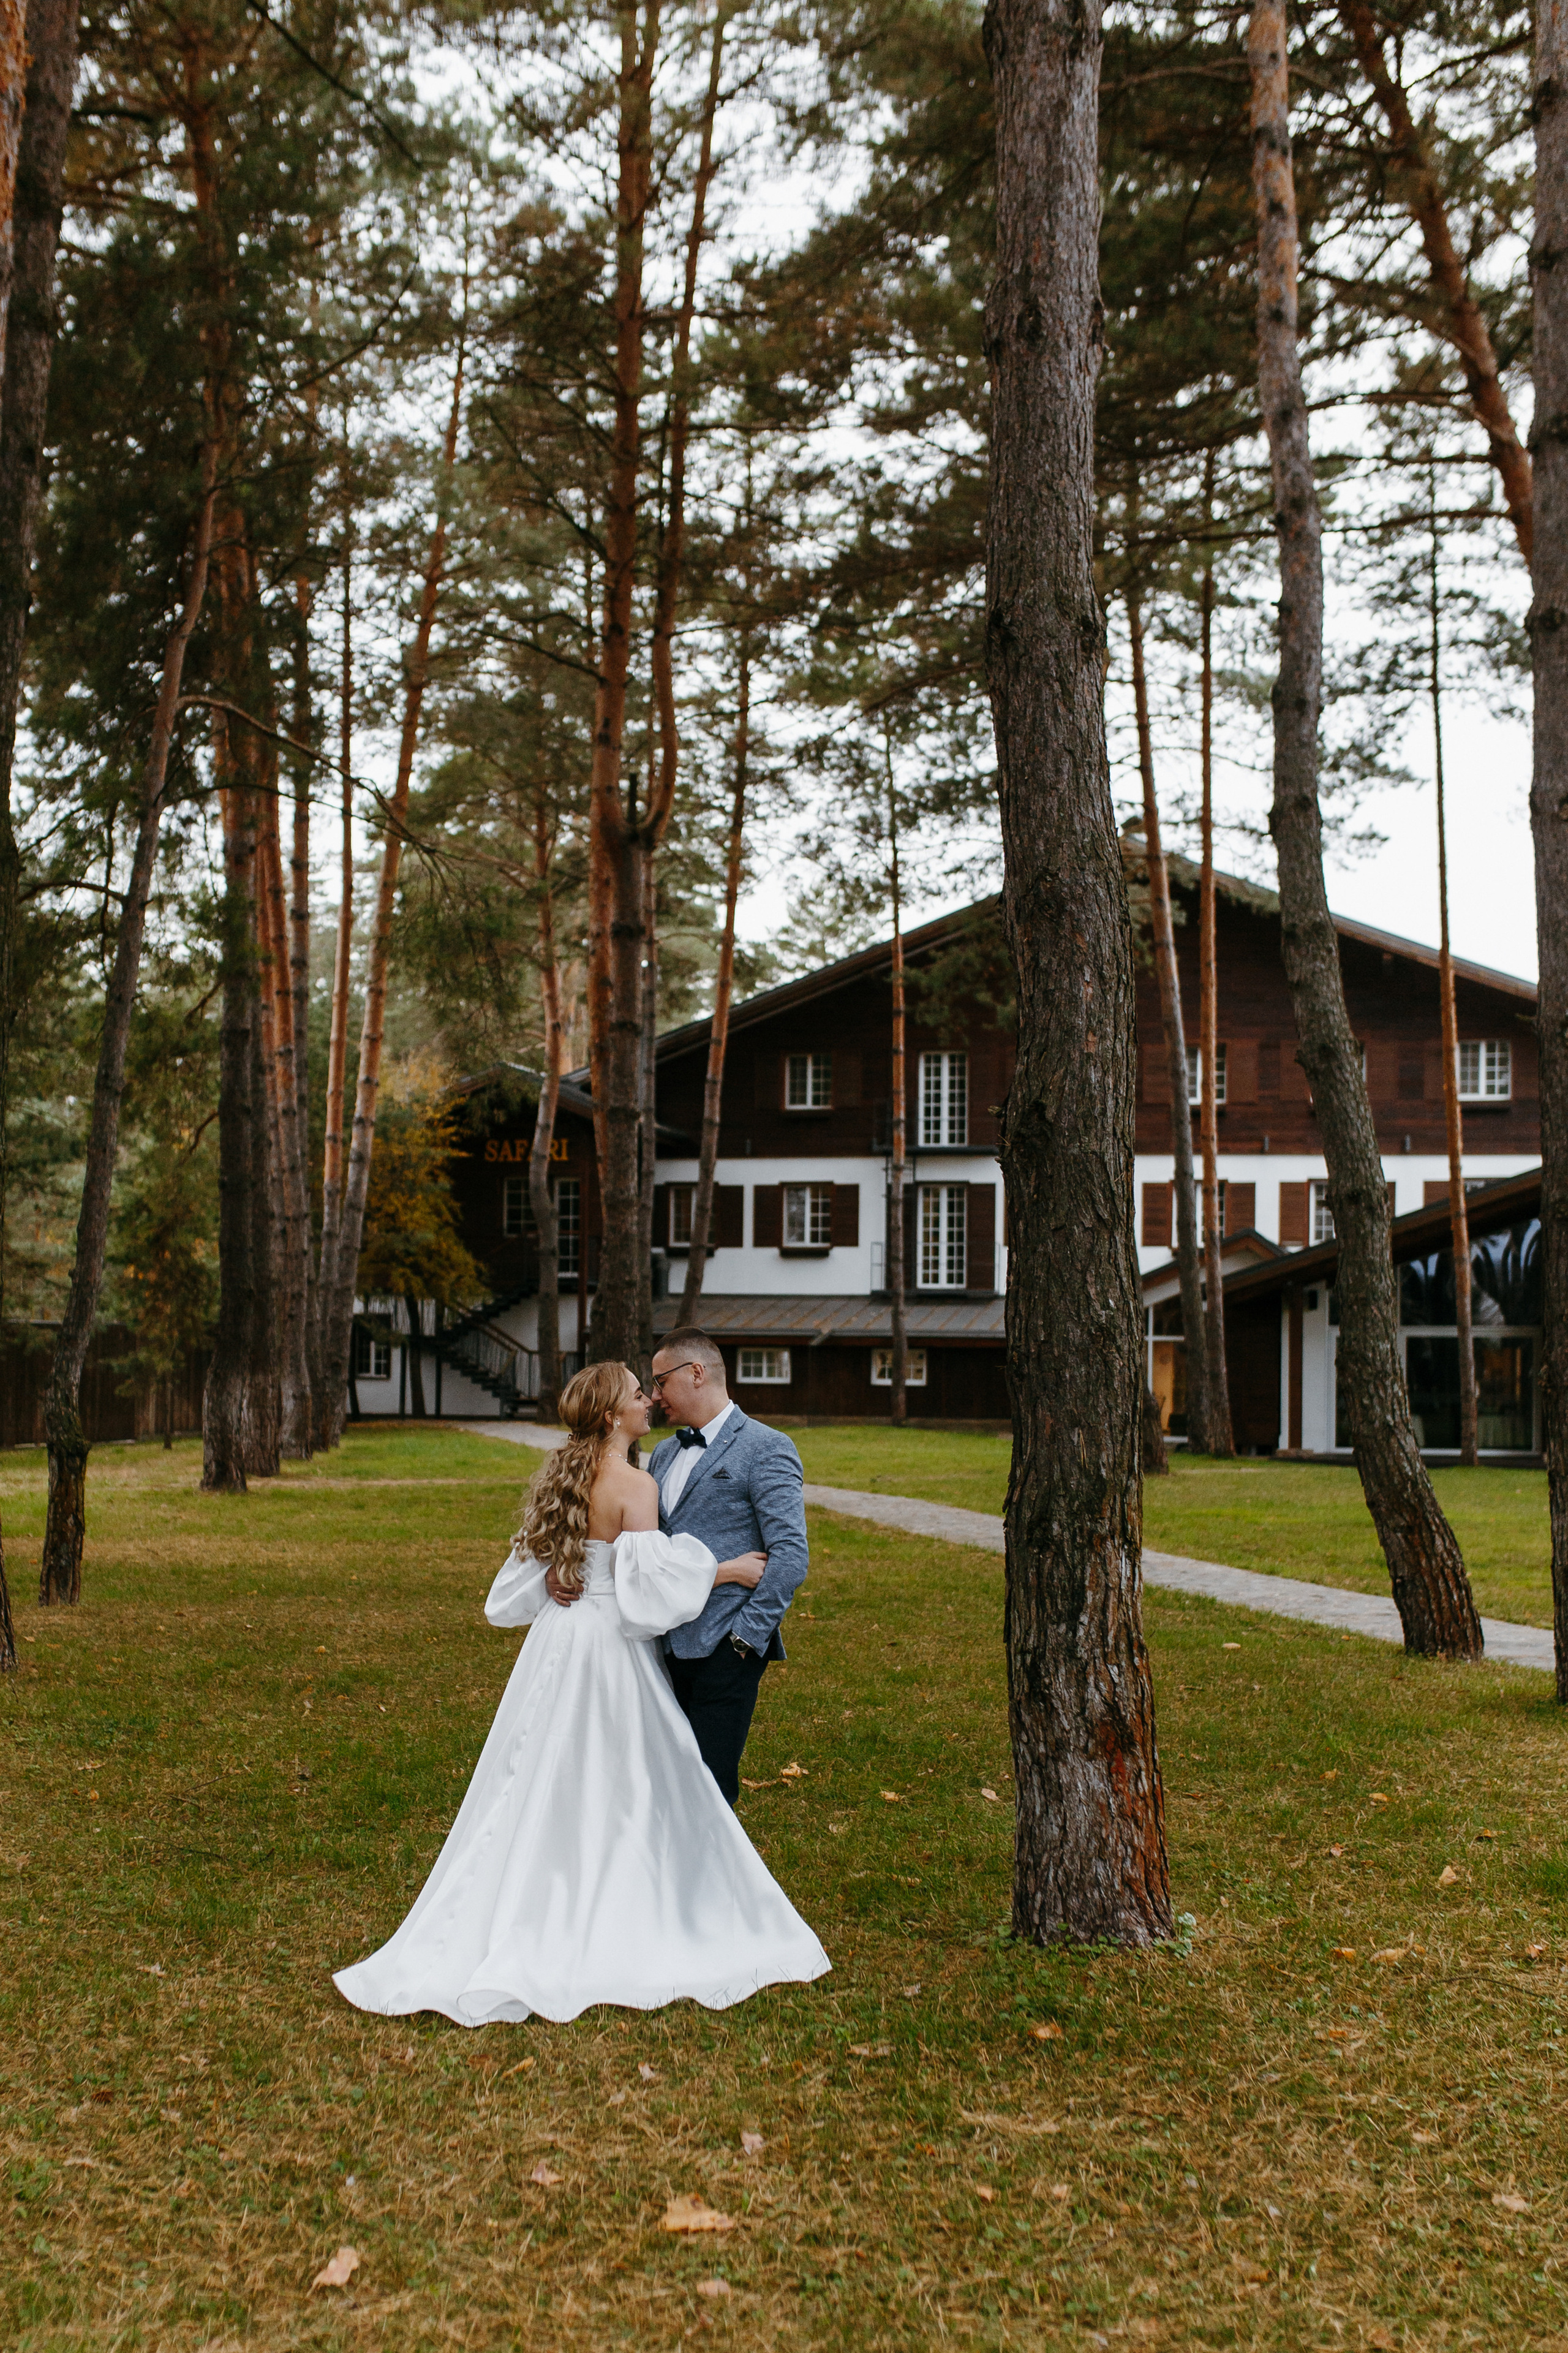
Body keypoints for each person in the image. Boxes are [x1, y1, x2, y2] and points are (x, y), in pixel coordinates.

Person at [332, 1362, 829, 2027]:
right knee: (631, 1778)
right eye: (635, 1394)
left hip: (557, 1642)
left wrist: (559, 1579)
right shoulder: (635, 1484)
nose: (647, 1400)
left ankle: (534, 1893)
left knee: (537, 1771)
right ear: (611, 1416)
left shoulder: (560, 1480)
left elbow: (527, 1577)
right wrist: (726, 1569)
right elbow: (649, 1593)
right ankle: (625, 1904)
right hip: (608, 1649)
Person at [544, 1328, 809, 1804]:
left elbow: (790, 1555)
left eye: (661, 1381)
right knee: (662, 1783)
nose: (656, 1395)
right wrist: (566, 1563)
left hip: (725, 1645)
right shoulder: (663, 1453)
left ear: (697, 1373)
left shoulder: (766, 1447)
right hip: (657, 1646)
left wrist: (746, 1639)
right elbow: (636, 1550)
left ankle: (716, 1878)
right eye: (648, 1387)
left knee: (708, 1786)